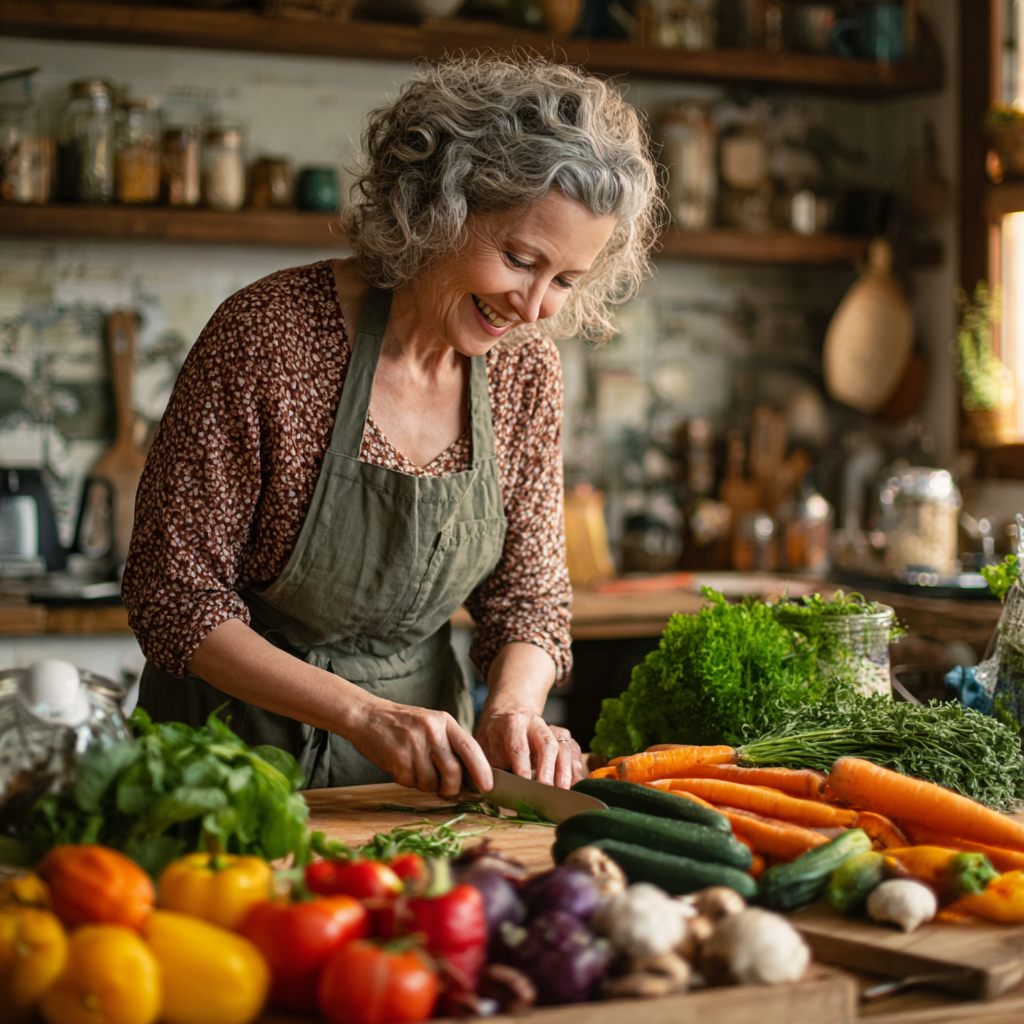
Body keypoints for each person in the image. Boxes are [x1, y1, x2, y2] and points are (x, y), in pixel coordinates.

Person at [122, 55, 662, 798]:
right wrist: (362, 714)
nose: (535, 307)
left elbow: (530, 600)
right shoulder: (270, 336)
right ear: (439, 207)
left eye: (564, 281)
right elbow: (174, 596)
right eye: (519, 259)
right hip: (225, 767)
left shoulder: (524, 370)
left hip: (419, 782)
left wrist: (512, 708)